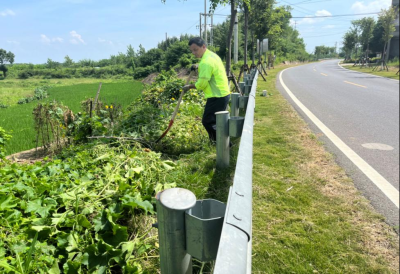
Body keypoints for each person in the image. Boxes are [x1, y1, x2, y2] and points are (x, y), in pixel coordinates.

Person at [182, 37, 231, 143]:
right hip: (222, 93)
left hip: (216, 96)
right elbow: (208, 66)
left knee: (208, 121)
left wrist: (189, 87)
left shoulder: (206, 62)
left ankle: (221, 144)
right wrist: (197, 66)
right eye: (192, 51)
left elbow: (201, 84)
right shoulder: (211, 55)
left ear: (203, 46)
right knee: (216, 121)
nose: (194, 53)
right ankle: (220, 145)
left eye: (195, 50)